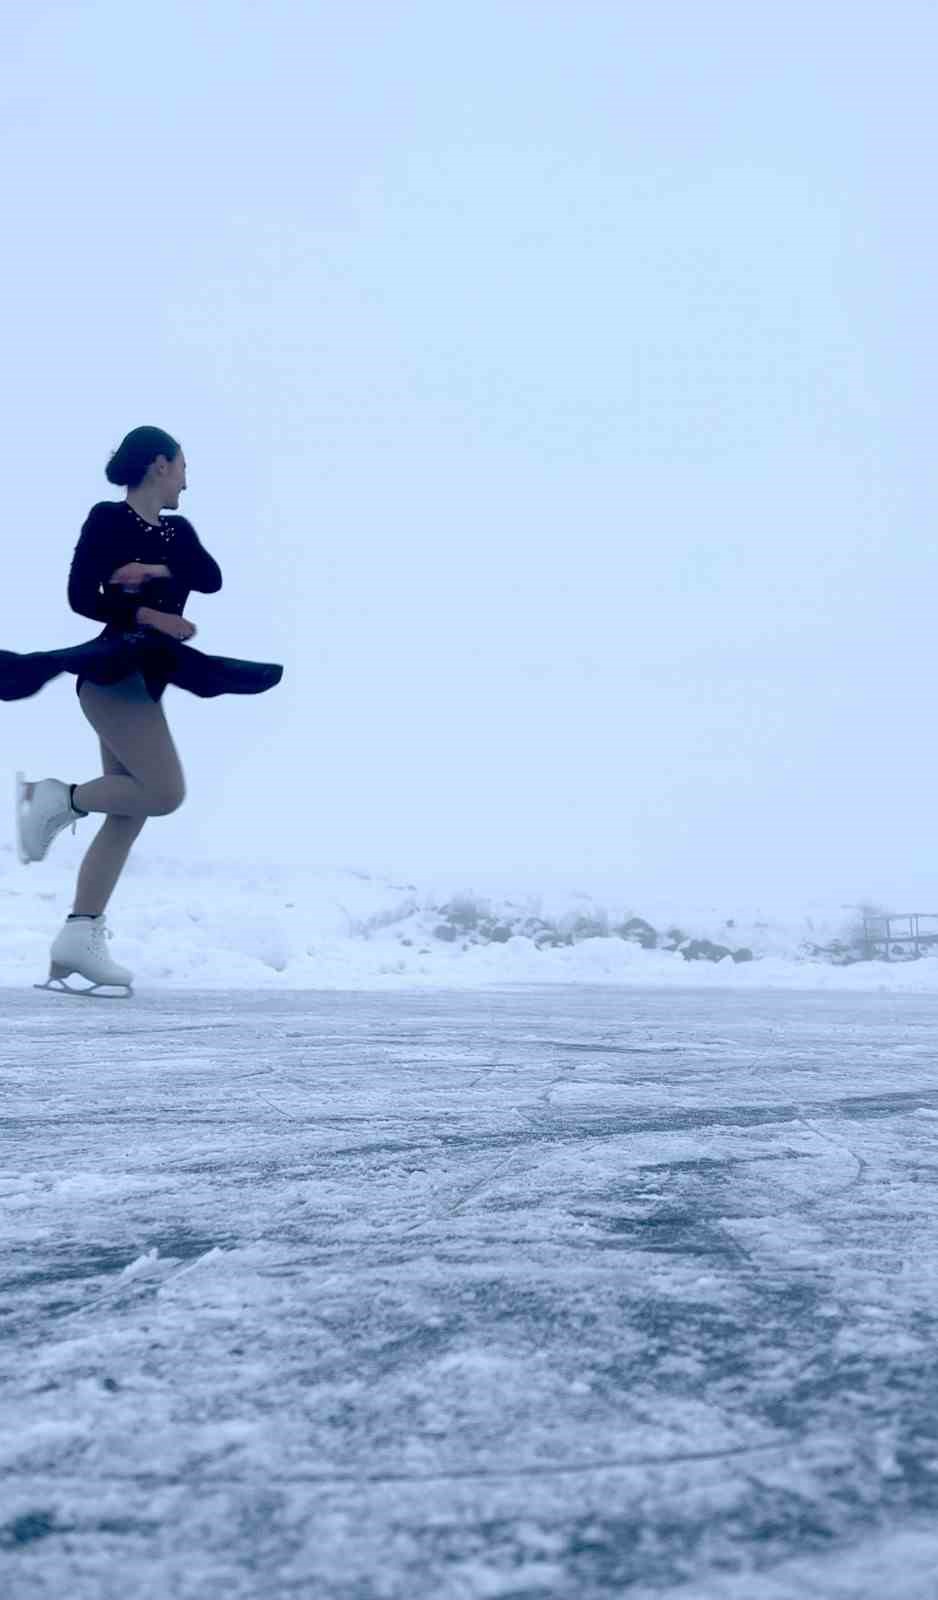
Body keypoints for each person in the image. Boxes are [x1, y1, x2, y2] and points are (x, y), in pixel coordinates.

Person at [1, 426, 283, 996]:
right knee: (165, 793)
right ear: (159, 465)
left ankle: (77, 938)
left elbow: (211, 578)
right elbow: (83, 597)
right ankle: (55, 798)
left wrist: (155, 574)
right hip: (112, 674)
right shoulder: (106, 519)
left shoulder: (178, 531)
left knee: (129, 813)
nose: (186, 478)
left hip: (146, 679)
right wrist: (150, 616)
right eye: (182, 465)